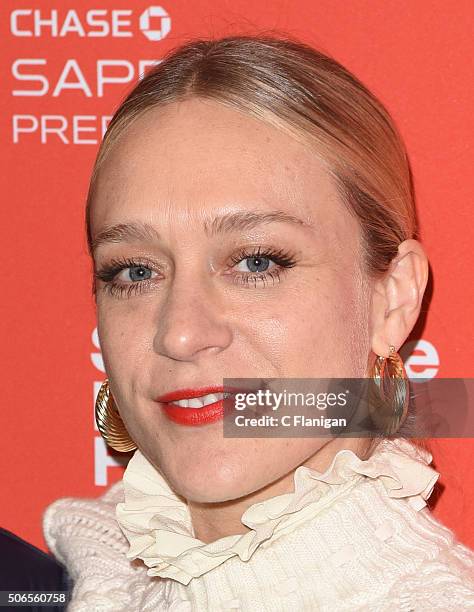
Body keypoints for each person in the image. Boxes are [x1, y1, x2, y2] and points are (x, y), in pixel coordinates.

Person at [42, 34, 474, 611]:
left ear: (392, 299)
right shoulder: (62, 572)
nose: (181, 333)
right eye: (135, 272)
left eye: (256, 262)